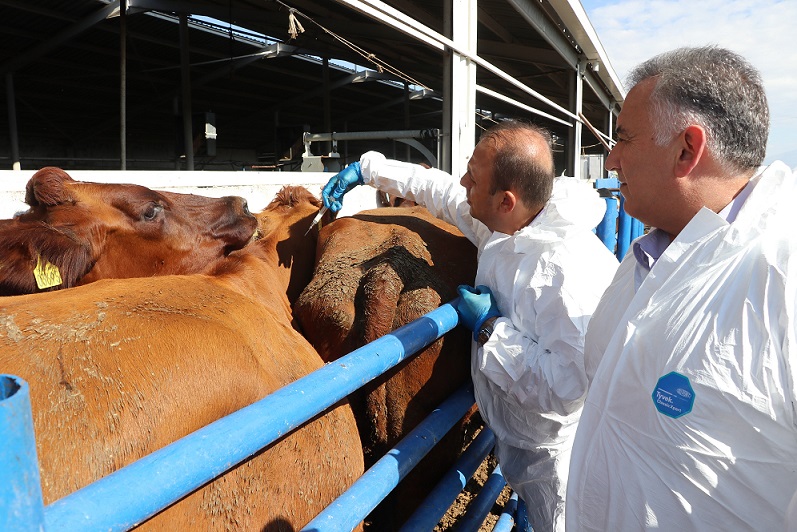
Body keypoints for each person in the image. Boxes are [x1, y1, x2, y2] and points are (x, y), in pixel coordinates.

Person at [321, 120, 619, 532]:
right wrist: (368, 169)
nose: (463, 180)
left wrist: (490, 328)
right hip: (518, 436)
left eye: (473, 177)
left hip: (555, 456)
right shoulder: (513, 225)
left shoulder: (568, 276)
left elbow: (566, 386)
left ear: (506, 200)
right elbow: (441, 192)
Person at [566, 45, 797, 531]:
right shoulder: (643, 256)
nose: (610, 160)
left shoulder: (782, 274)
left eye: (624, 139)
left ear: (687, 150)